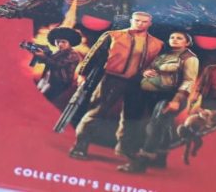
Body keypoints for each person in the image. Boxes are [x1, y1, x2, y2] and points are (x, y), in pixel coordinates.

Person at [69, 12, 164, 162]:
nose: (140, 24)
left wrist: (151, 72)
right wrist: (83, 73)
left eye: (144, 22)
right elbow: (93, 54)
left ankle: (124, 148)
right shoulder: (113, 35)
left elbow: (158, 64)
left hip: (137, 83)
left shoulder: (157, 44)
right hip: (112, 78)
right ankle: (80, 146)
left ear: (149, 24)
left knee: (131, 117)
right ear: (131, 20)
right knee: (97, 111)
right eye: (137, 20)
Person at [121, 30, 199, 173]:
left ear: (187, 42)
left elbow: (189, 81)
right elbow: (151, 68)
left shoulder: (190, 58)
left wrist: (176, 100)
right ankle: (160, 158)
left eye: (179, 38)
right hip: (155, 95)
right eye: (172, 37)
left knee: (155, 127)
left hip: (171, 97)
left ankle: (141, 163)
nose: (174, 39)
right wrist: (146, 72)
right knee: (164, 126)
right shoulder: (165, 54)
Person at [33, 27, 83, 110]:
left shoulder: (73, 55)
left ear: (70, 42)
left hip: (57, 83)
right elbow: (47, 61)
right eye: (58, 41)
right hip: (47, 79)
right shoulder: (58, 52)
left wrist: (44, 57)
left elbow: (57, 64)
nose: (60, 44)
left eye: (63, 42)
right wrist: (40, 56)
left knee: (41, 100)